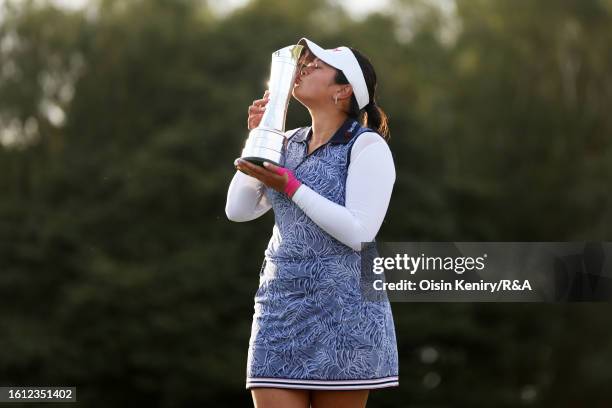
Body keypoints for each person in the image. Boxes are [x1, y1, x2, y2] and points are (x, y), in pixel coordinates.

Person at [225, 37, 399, 408]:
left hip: (347, 316)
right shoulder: (285, 142)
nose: (302, 69)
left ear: (343, 90)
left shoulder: (368, 147)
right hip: (280, 311)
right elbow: (238, 209)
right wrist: (257, 137)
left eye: (315, 67)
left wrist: (289, 185)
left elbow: (359, 232)